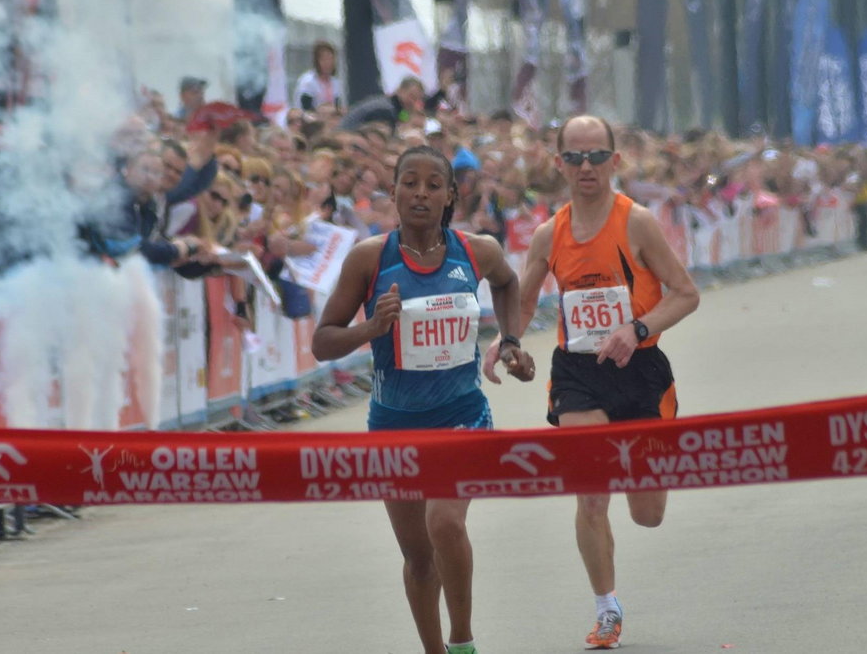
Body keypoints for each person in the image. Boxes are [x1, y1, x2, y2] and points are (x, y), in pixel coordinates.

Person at [483, 115, 700, 650]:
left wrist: (638, 327)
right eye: (575, 157)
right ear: (558, 163)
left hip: (641, 371)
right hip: (578, 373)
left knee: (647, 514)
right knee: (590, 496)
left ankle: (640, 479)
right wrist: (506, 340)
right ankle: (607, 608)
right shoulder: (547, 234)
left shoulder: (637, 223)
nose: (586, 167)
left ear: (615, 161)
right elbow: (525, 297)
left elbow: (685, 293)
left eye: (596, 156)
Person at [312, 145, 534, 654]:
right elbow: (322, 340)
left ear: (451, 195)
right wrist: (372, 327)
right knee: (418, 558)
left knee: (446, 522)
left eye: (433, 184)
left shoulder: (476, 250)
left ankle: (462, 640)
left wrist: (512, 340)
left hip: (463, 416)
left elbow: (507, 282)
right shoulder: (370, 258)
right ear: (392, 193)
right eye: (409, 183)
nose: (420, 193)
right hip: (394, 426)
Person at [294, 40, 343, 111]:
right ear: (317, 61)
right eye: (324, 59)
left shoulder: (336, 83)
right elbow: (305, 109)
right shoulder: (308, 82)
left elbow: (338, 106)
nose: (328, 63)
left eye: (330, 59)